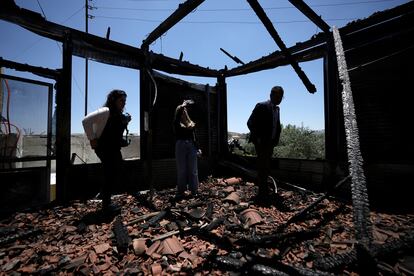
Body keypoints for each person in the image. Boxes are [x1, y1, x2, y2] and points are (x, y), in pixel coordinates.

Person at [90, 89, 131, 212]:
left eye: (125, 101)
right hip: (106, 148)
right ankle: (106, 204)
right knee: (111, 173)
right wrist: (92, 139)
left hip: (110, 147)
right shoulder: (106, 112)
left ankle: (104, 197)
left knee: (113, 172)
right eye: (121, 100)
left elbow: (115, 133)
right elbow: (86, 121)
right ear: (113, 100)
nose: (124, 103)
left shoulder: (116, 113)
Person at [247, 86, 284, 202]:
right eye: (277, 96)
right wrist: (258, 138)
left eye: (281, 97)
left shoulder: (277, 109)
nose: (279, 99)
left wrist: (275, 140)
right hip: (261, 143)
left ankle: (264, 191)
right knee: (262, 167)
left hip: (270, 143)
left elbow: (277, 126)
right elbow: (250, 122)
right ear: (271, 95)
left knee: (266, 167)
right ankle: (262, 194)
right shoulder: (262, 106)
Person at [173, 99, 200, 198]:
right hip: (180, 144)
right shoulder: (178, 119)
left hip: (191, 144)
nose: (187, 109)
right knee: (182, 169)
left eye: (189, 107)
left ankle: (194, 190)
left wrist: (198, 147)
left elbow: (194, 134)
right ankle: (181, 191)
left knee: (193, 169)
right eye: (186, 107)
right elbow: (176, 121)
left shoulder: (190, 120)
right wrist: (182, 106)